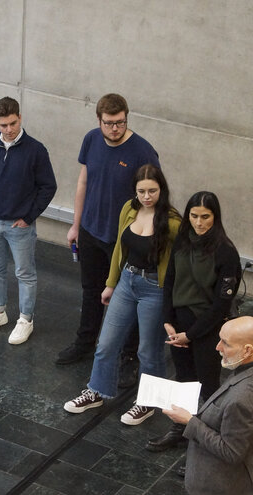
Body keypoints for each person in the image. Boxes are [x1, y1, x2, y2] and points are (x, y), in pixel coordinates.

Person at [163, 252, 253, 495]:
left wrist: (189, 422)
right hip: (238, 482)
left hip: (219, 484)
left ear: (245, 350)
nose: (217, 347)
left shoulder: (241, 400)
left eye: (225, 343)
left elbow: (230, 451)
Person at [56, 93, 160, 389]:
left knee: (128, 299)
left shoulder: (143, 152)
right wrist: (76, 225)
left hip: (124, 240)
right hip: (91, 230)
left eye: (121, 122)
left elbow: (153, 198)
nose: (115, 128)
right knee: (91, 290)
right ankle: (85, 341)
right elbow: (83, 182)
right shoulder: (91, 140)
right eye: (109, 123)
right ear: (99, 121)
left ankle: (129, 357)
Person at [64, 165, 180, 425]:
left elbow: (180, 261)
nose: (147, 196)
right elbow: (119, 247)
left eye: (152, 191)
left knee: (148, 351)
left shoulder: (172, 222)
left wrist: (173, 301)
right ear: (135, 191)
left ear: (162, 190)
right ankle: (96, 390)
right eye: (142, 191)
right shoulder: (129, 208)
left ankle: (149, 402)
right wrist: (111, 283)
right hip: (127, 281)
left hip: (155, 288)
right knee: (106, 343)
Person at [146, 191, 242, 453]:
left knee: (208, 385)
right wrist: (168, 320)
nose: (199, 223)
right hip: (180, 323)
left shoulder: (226, 252)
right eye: (194, 216)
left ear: (215, 217)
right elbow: (170, 280)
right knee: (184, 380)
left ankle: (207, 444)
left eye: (205, 217)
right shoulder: (182, 241)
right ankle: (181, 430)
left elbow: (221, 303)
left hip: (207, 327)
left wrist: (191, 334)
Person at [0, 97, 57, 345]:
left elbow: (48, 187)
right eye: (3, 125)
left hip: (20, 226)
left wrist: (29, 217)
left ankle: (25, 320)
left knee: (25, 274)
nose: (9, 130)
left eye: (13, 123)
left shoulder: (36, 150)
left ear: (20, 118)